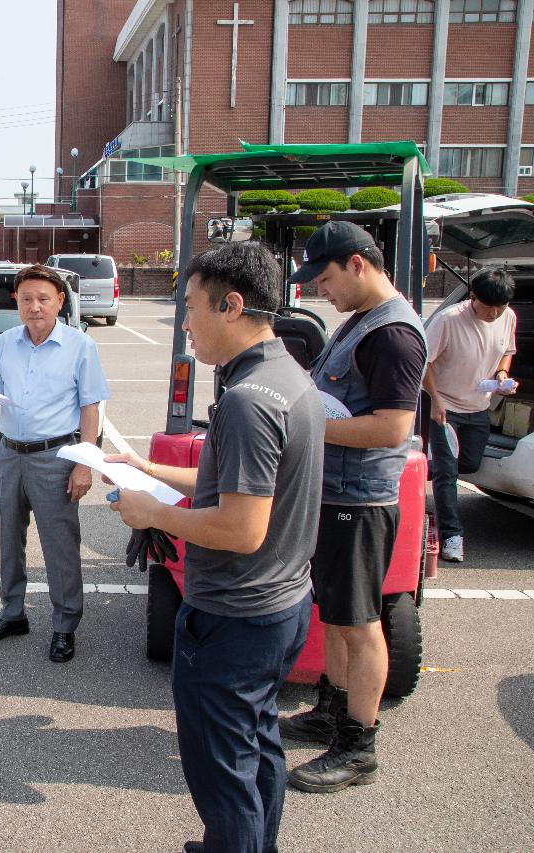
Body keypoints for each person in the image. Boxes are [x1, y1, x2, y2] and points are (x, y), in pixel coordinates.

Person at [107, 242, 323, 852]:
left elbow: (241, 528)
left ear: (232, 306)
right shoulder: (284, 376)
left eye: (191, 307)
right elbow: (237, 485)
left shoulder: (247, 401)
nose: (184, 324)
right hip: (279, 605)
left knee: (223, 773)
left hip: (235, 616)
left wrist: (152, 512)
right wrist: (147, 467)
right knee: (256, 748)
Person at [280, 220, 427, 793]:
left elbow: (392, 428)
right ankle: (330, 711)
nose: (322, 291)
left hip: (359, 502)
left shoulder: (392, 335)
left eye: (326, 278)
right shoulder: (361, 323)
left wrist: (309, 423)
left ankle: (358, 746)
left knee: (360, 623)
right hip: (336, 494)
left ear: (358, 264)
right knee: (337, 616)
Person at [0, 264, 109, 663]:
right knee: (9, 539)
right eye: (27, 298)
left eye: (44, 299)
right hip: (9, 453)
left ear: (60, 302)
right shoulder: (5, 344)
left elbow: (90, 406)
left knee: (60, 545)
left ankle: (65, 626)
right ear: (17, 301)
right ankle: (13, 613)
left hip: (56, 457)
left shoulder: (81, 346)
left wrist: (85, 464)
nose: (35, 307)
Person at [423, 267, 518, 562]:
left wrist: (502, 374)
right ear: (473, 297)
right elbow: (423, 363)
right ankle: (452, 536)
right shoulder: (449, 319)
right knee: (448, 472)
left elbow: (508, 350)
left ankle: (422, 471)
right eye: (488, 307)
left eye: (499, 308)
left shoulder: (509, 317)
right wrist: (436, 402)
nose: (493, 314)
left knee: (469, 463)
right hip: (445, 408)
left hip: (479, 406)